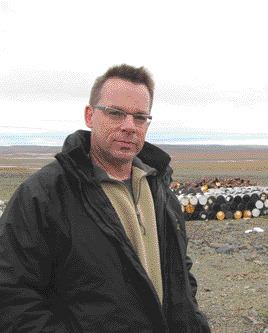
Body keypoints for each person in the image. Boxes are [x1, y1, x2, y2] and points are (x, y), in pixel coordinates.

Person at [0, 64, 211, 332]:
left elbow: (180, 270)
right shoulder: (43, 195)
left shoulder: (159, 188)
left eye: (140, 117)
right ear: (89, 116)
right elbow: (11, 296)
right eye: (115, 113)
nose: (129, 126)